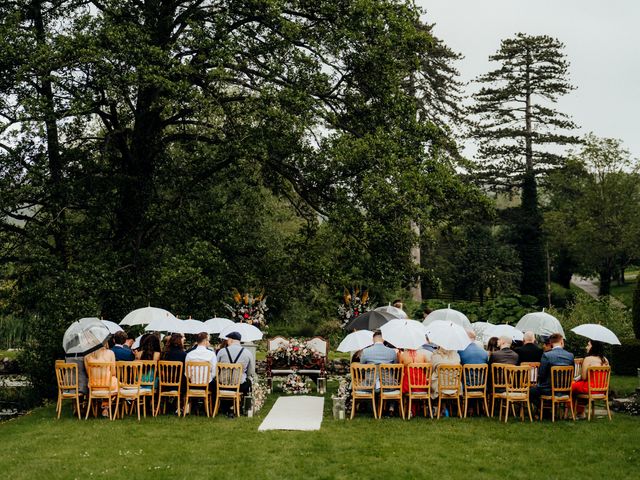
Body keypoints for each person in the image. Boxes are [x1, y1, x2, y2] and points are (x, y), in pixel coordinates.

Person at [530, 333, 574, 408]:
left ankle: (544, 410)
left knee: (531, 391)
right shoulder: (570, 356)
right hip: (566, 390)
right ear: (562, 342)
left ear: (550, 343)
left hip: (548, 389)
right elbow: (571, 375)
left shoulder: (547, 355)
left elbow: (541, 374)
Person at [216, 331, 254, 417]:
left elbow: (216, 368)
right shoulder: (247, 353)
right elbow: (250, 372)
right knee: (248, 382)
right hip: (239, 385)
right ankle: (242, 407)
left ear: (230, 340)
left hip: (222, 384)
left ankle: (224, 407)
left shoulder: (222, 352)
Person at [571, 340, 609, 417]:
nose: (586, 347)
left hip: (590, 388)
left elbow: (584, 377)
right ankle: (580, 411)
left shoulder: (588, 359)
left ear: (593, 347)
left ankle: (576, 411)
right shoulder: (605, 359)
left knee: (570, 386)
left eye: (588, 345)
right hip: (602, 389)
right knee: (577, 387)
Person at [84, 341, 118, 417]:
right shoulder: (110, 353)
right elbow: (113, 372)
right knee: (114, 381)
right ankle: (106, 406)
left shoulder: (86, 355)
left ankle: (102, 406)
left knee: (110, 382)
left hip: (93, 386)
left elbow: (88, 373)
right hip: (108, 386)